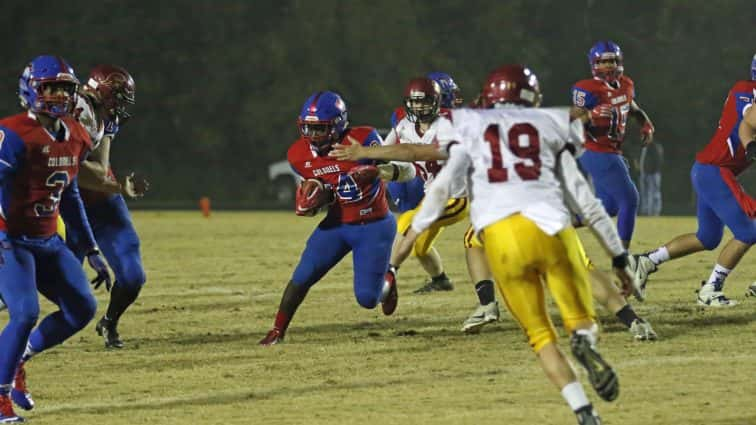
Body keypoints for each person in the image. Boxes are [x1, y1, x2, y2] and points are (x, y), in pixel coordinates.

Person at [397, 64, 633, 425]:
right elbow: (586, 200)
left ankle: (584, 412)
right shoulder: (549, 125)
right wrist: (618, 255)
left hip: (504, 240)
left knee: (541, 337)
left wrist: (410, 239)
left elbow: (441, 188)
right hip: (551, 229)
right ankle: (585, 340)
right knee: (582, 321)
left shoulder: (472, 130)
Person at [331, 87, 656, 342]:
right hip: (549, 214)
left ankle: (493, 308)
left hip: (508, 220)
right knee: (579, 268)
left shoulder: (476, 132)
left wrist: (365, 153)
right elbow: (575, 130)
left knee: (481, 248)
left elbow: (415, 152)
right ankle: (632, 321)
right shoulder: (545, 123)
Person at [0, 55, 111, 422]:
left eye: (64, 87)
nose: (57, 94)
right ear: (31, 90)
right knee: (25, 312)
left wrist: (91, 247)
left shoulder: (77, 135)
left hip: (47, 239)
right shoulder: (12, 133)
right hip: (9, 239)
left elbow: (71, 194)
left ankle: (19, 358)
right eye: (49, 87)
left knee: (82, 308)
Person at [259, 91, 416, 346]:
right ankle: (278, 330)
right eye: (307, 128)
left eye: (319, 129)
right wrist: (311, 201)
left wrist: (379, 172)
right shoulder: (298, 154)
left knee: (367, 299)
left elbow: (409, 171)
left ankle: (387, 281)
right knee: (302, 275)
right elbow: (321, 188)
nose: (312, 136)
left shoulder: (363, 139)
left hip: (373, 225)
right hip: (337, 225)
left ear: (338, 124)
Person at [634, 55, 756, 306]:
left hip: (708, 170)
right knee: (749, 230)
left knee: (708, 237)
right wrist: (750, 145)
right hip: (715, 170)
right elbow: (748, 121)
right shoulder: (746, 91)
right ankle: (710, 289)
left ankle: (648, 260)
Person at [65, 64, 149, 349]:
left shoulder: (102, 117)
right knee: (54, 282)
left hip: (103, 204)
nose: (120, 106)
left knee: (133, 276)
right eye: (118, 97)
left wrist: (116, 186)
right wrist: (118, 185)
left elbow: (99, 169)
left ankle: (109, 322)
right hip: (65, 207)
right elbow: (71, 166)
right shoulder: (75, 112)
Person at [383, 77, 467, 294]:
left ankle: (388, 276)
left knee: (407, 222)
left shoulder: (451, 124)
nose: (419, 106)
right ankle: (440, 280)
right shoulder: (405, 125)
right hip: (431, 194)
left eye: (425, 100)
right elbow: (385, 150)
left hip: (457, 195)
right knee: (420, 248)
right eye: (415, 101)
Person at [572, 40, 655, 249]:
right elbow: (571, 123)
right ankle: (623, 260)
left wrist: (646, 124)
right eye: (604, 62)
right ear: (594, 64)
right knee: (630, 199)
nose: (609, 66)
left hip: (612, 150)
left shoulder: (626, 84)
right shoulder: (586, 89)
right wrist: (591, 115)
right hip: (595, 150)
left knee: (606, 208)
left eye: (613, 61)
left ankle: (555, 226)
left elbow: (634, 109)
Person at [639, 142, 663, 216]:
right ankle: (646, 211)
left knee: (655, 193)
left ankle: (655, 211)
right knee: (645, 193)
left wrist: (654, 171)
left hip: (653, 174)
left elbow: (658, 160)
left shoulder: (655, 147)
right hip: (644, 173)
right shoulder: (642, 147)